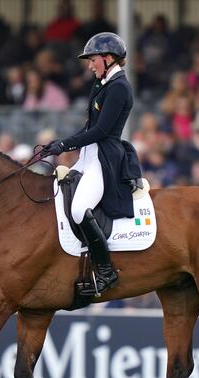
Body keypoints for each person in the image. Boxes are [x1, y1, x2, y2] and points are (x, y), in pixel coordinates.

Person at [42, 32, 141, 296]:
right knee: (58, 197)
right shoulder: (102, 82)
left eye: (92, 60)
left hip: (103, 158)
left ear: (108, 58)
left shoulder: (119, 87)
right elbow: (89, 127)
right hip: (88, 155)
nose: (89, 66)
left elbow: (101, 131)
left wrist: (65, 145)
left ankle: (106, 271)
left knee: (79, 210)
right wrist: (61, 144)